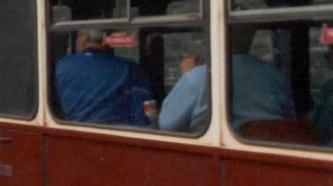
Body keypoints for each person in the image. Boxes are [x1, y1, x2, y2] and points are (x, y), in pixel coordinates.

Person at [159, 27, 294, 134]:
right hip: (266, 153)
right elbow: (289, 115)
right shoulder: (275, 75)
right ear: (250, 38)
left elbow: (167, 124)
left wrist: (188, 75)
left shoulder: (197, 78)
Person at [55, 28, 153, 126]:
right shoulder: (129, 68)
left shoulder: (61, 66)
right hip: (117, 134)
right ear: (106, 41)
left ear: (83, 39)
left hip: (73, 132)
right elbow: (144, 114)